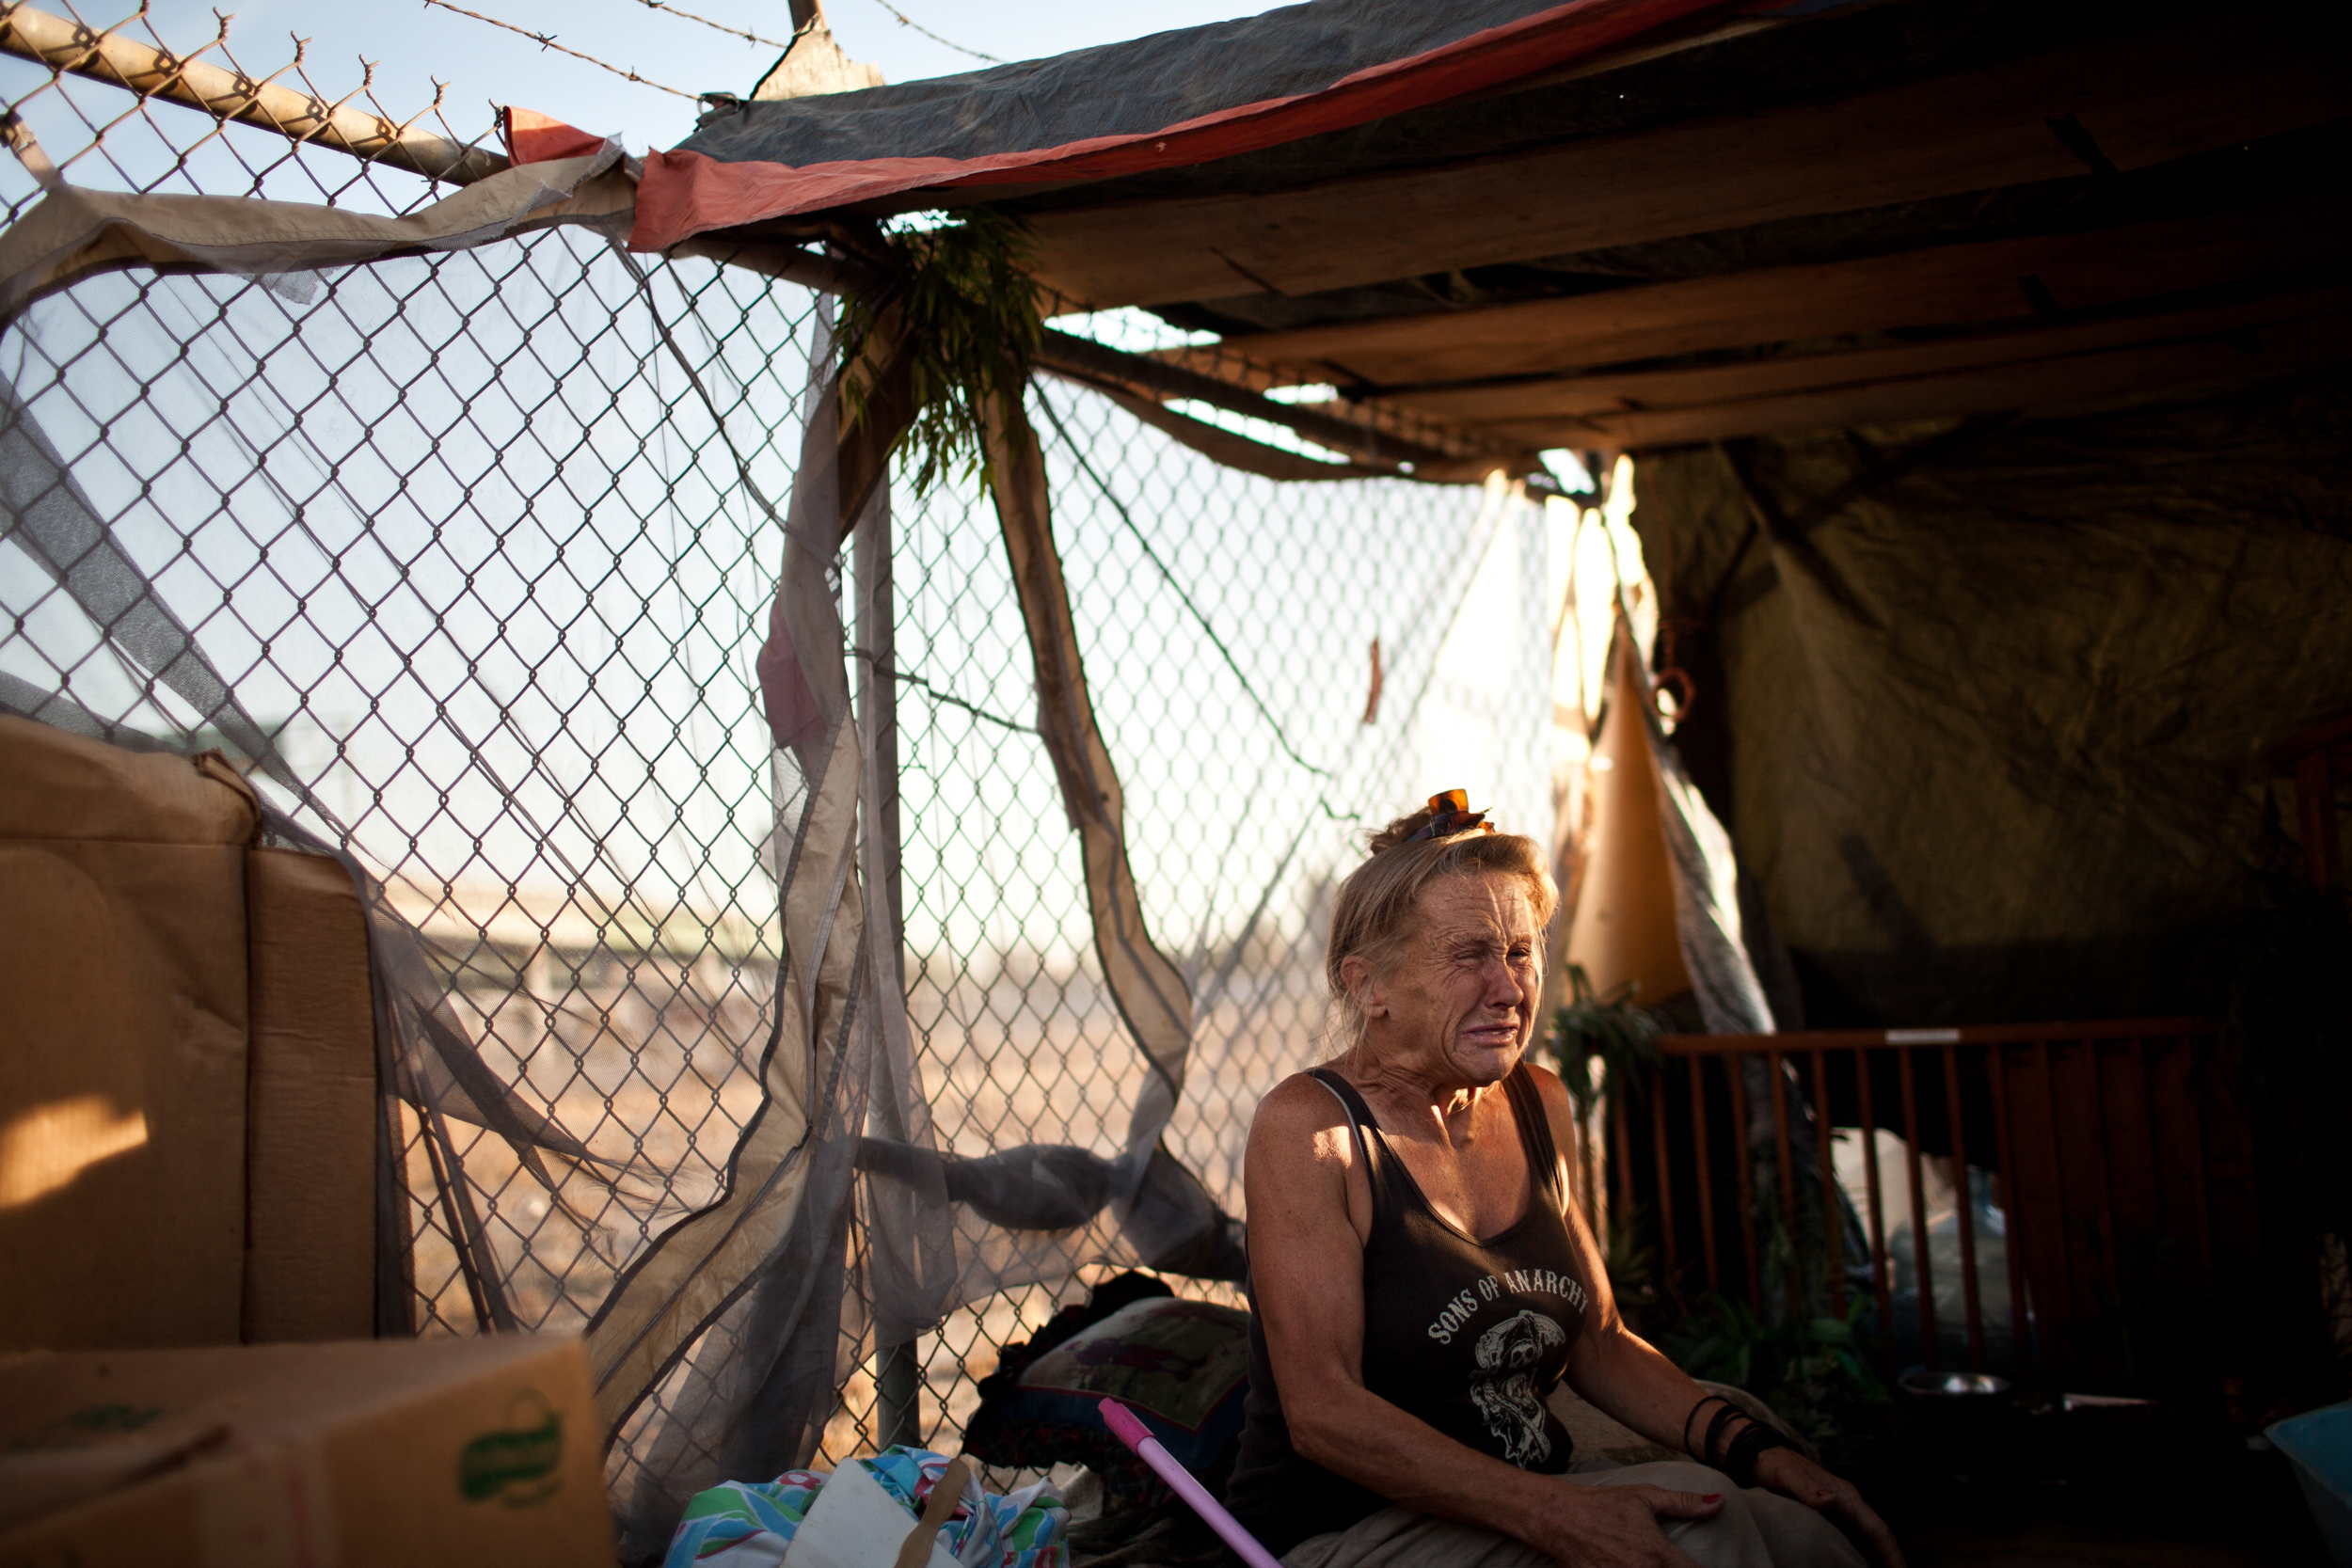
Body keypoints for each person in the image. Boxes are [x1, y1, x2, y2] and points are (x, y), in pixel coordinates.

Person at [1224, 793, 1902, 1568]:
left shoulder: (1538, 1103)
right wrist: (1560, 1513)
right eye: (1469, 954)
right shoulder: (1313, 1131)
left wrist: (1757, 1451)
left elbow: (1601, 1342)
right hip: (1348, 1529)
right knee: (1708, 1538)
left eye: (1520, 950)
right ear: (1369, 985)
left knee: (1807, 1533)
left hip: (1521, 1492)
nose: (1509, 988)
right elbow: (1325, 1413)